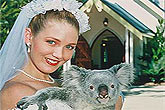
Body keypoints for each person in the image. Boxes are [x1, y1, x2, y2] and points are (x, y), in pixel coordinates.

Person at [0, 0, 123, 109]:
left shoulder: (62, 85)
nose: (59, 55)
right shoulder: (16, 91)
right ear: (29, 36)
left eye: (69, 47)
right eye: (51, 42)